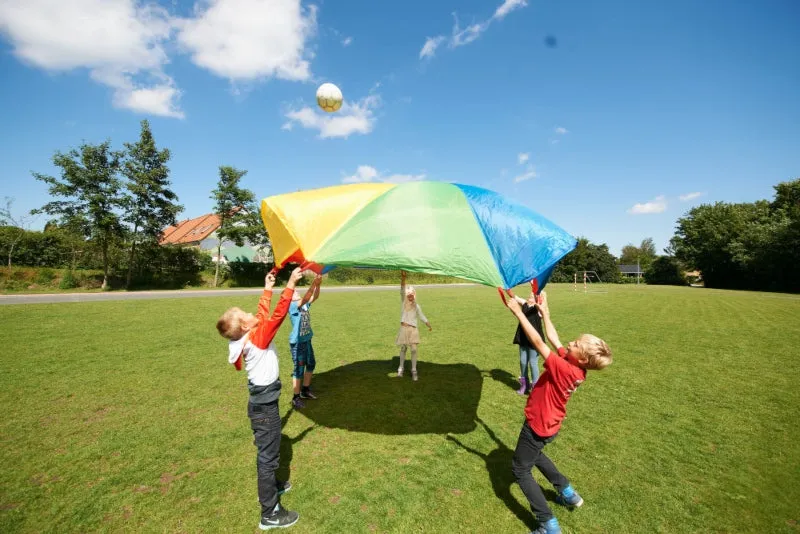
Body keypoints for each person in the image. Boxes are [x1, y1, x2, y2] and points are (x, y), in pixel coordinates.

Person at [506, 291, 612, 534]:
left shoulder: (563, 368)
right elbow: (553, 338)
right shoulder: (575, 368)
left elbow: (539, 342)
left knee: (520, 469)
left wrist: (519, 313)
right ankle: (567, 492)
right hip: (551, 424)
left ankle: (547, 523)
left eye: (575, 345)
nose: (570, 343)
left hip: (538, 424)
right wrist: (547, 313)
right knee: (537, 455)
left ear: (582, 359)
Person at [216, 267, 303, 531]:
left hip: (261, 403)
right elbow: (275, 317)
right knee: (268, 456)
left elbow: (263, 315)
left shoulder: (249, 336)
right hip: (264, 408)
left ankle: (271, 488)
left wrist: (267, 288)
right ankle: (270, 513)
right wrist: (289, 284)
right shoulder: (258, 338)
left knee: (269, 452)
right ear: (245, 326)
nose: (253, 314)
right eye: (248, 315)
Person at [288, 273, 323, 409]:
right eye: (293, 291)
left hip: (307, 340)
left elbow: (315, 296)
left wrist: (318, 285)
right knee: (299, 368)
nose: (296, 292)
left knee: (311, 364)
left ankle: (305, 390)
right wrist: (313, 284)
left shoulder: (304, 305)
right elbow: (308, 296)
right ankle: (296, 398)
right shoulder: (292, 306)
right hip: (298, 342)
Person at [395, 270, 432, 381]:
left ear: (414, 295)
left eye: (412, 294)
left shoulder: (417, 306)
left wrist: (427, 323)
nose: (410, 296)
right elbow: (402, 290)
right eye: (408, 294)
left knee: (414, 349)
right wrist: (403, 278)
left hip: (413, 329)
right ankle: (400, 368)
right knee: (403, 348)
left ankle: (414, 370)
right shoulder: (403, 303)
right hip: (404, 328)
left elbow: (421, 316)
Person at [512, 291, 545, 395]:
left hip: (534, 340)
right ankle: (524, 385)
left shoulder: (539, 309)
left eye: (533, 295)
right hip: (523, 338)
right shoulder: (524, 303)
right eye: (530, 295)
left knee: (533, 363)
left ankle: (536, 388)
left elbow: (541, 305)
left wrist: (538, 292)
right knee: (522, 361)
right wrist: (506, 287)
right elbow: (514, 296)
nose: (530, 296)